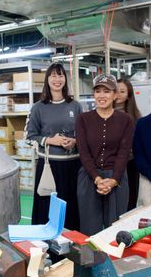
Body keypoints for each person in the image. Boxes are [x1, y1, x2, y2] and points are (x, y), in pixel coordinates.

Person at [25, 63, 82, 230]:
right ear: (47, 80)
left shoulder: (75, 106)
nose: (57, 79)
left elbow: (84, 134)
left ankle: (71, 242)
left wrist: (75, 141)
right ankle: (46, 244)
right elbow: (29, 137)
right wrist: (50, 140)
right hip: (49, 167)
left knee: (71, 208)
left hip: (73, 166)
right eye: (53, 76)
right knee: (47, 209)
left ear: (65, 79)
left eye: (61, 75)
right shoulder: (38, 108)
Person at [75, 74, 134, 235]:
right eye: (98, 91)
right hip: (89, 177)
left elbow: (124, 153)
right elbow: (84, 153)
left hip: (117, 178)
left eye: (107, 91)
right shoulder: (83, 119)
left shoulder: (126, 120)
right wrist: (97, 178)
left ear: (115, 95)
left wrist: (114, 180)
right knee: (89, 230)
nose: (102, 95)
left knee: (116, 230)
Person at [115, 78, 142, 210]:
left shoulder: (135, 116)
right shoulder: (103, 114)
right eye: (116, 90)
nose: (118, 94)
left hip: (130, 164)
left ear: (129, 95)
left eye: (122, 91)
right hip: (111, 164)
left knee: (130, 200)